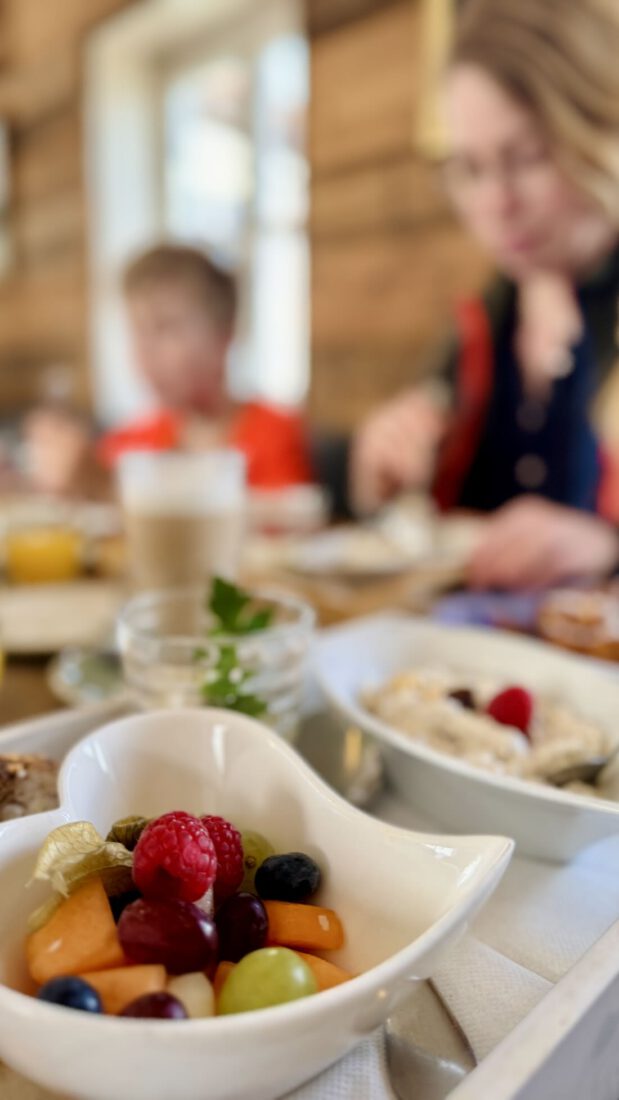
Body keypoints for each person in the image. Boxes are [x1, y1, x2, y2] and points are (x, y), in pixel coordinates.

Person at [345, 0, 619, 590]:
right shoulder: (485, 322)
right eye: (470, 169)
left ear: (600, 129)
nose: (496, 204)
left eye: (526, 158)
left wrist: (607, 549)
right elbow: (427, 513)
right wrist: (384, 473)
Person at [23, 245, 313, 497]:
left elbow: (290, 516)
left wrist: (111, 490)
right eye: (139, 331)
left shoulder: (273, 431)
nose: (145, 350)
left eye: (166, 328)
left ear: (223, 336)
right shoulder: (135, 440)